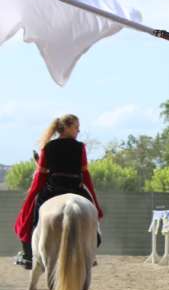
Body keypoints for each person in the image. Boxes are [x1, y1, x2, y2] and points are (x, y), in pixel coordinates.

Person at [14, 114, 103, 269]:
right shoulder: (80, 147)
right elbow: (85, 174)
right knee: (92, 213)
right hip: (76, 187)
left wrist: (32, 194)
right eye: (76, 127)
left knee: (30, 215)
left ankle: (29, 255)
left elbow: (41, 174)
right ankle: (92, 248)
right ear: (67, 128)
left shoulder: (48, 147)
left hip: (53, 188)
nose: (78, 130)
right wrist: (94, 198)